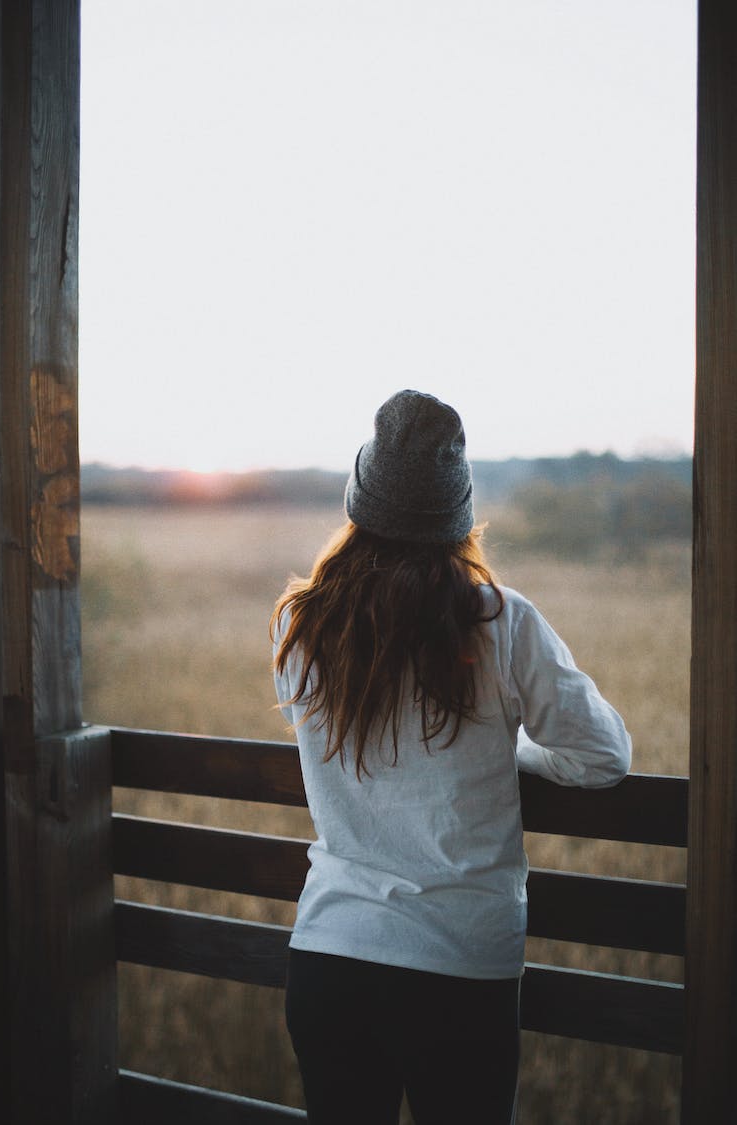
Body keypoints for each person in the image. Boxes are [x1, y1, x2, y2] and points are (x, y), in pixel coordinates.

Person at [271, 390, 631, 1125]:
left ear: (361, 500)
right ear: (457, 514)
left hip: (329, 956)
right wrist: (516, 753)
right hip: (457, 969)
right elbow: (604, 755)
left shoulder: (304, 627)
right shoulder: (498, 620)